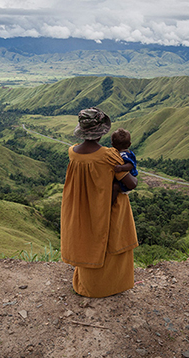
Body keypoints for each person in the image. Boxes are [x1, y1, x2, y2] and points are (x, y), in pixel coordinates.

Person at [61, 107, 139, 298]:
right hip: (109, 208)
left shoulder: (73, 152)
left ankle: (87, 286)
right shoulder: (109, 156)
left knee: (88, 242)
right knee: (110, 244)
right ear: (102, 131)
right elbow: (131, 183)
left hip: (83, 208)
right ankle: (109, 287)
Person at [111, 128, 138, 205]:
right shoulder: (126, 153)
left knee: (115, 187)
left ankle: (110, 204)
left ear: (112, 144)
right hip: (126, 180)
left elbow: (130, 165)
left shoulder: (124, 155)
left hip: (126, 182)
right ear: (129, 144)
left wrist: (121, 168)